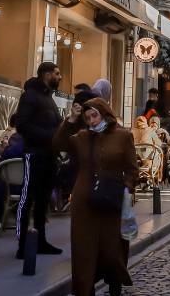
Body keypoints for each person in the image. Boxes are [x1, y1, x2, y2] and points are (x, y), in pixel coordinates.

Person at [54, 97, 139, 296]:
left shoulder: (124, 137)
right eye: (88, 117)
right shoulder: (82, 137)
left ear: (104, 113)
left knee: (112, 247)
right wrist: (71, 120)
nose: (92, 121)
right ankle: (86, 287)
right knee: (85, 246)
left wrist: (127, 190)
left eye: (95, 115)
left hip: (113, 200)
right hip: (84, 200)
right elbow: (58, 143)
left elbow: (132, 170)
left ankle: (114, 281)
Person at [11, 61, 63, 258]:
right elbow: (22, 125)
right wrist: (50, 136)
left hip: (49, 155)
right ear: (48, 75)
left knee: (42, 201)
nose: (60, 77)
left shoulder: (49, 98)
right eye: (57, 73)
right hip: (34, 154)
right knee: (27, 199)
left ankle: (40, 241)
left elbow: (58, 124)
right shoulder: (30, 96)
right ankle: (22, 244)